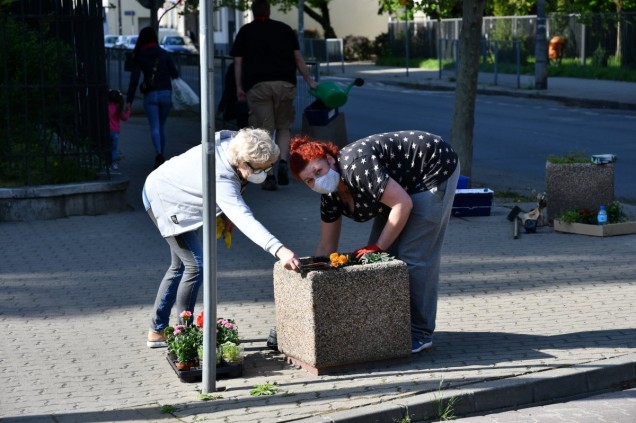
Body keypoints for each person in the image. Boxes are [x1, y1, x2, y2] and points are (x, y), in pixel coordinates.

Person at [288, 130, 460, 354]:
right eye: (309, 180)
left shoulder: (357, 167)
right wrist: (309, 286)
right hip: (400, 186)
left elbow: (402, 205)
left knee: (413, 258)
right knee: (378, 261)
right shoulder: (331, 197)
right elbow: (326, 247)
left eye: (318, 171)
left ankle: (420, 333)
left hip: (432, 166)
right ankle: (391, 327)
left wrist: (378, 246)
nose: (317, 181)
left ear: (330, 159)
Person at [143, 127, 302, 348]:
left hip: (170, 188)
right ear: (244, 164)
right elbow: (244, 218)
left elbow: (239, 184)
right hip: (165, 199)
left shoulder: (237, 143)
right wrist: (279, 249)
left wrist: (225, 212)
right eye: (262, 169)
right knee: (196, 266)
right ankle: (184, 336)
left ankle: (157, 330)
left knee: (180, 267)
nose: (265, 173)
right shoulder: (221, 177)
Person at [230, 0, 318, 191]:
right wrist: (310, 81)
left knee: (264, 132)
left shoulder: (245, 32)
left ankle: (269, 174)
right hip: (285, 84)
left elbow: (238, 62)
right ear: (269, 11)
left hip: (258, 86)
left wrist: (239, 87)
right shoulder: (285, 29)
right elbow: (297, 58)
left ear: (253, 12)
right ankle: (284, 161)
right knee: (284, 127)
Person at [126, 26, 179, 169]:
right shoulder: (164, 54)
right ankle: (163, 153)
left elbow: (134, 80)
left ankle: (158, 153)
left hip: (150, 95)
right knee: (162, 125)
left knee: (154, 126)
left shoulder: (140, 55)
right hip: (166, 94)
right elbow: (175, 73)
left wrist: (129, 101)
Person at [107, 89, 131, 170]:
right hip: (115, 132)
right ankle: (114, 164)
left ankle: (107, 163)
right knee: (114, 149)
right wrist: (128, 111)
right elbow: (125, 118)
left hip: (107, 131)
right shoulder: (118, 108)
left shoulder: (107, 107)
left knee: (107, 148)